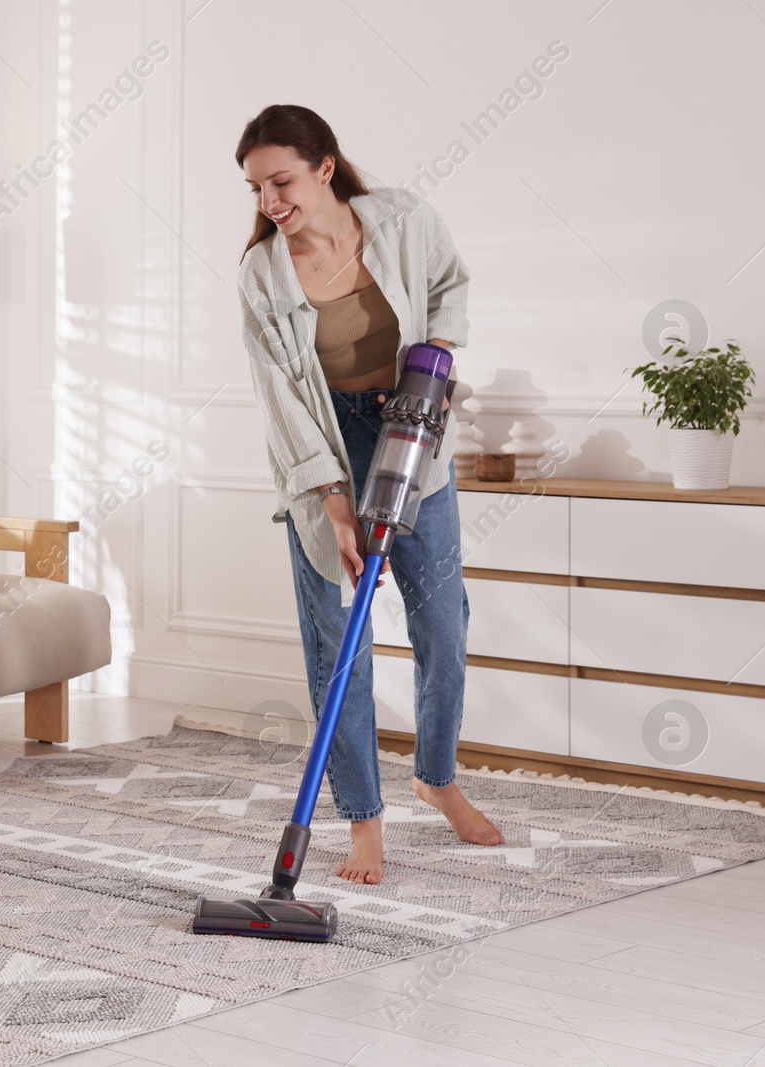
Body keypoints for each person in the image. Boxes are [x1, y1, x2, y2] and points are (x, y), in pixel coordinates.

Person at [236, 104, 503, 885]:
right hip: (324, 445)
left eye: (280, 181)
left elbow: (450, 284)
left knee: (441, 618)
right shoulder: (263, 274)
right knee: (337, 640)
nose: (268, 202)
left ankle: (437, 775)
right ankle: (364, 821)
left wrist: (436, 361)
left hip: (414, 421)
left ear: (325, 168)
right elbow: (281, 399)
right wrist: (332, 500)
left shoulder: (402, 221)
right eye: (254, 188)